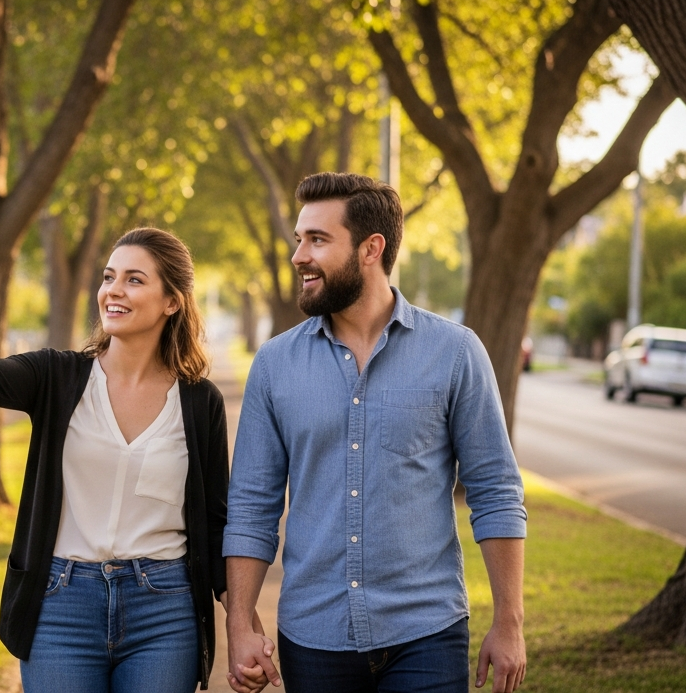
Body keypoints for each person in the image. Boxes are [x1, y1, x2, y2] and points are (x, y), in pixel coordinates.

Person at [0, 227, 267, 692]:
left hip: (163, 611)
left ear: (172, 301)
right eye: (108, 277)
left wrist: (241, 622)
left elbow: (216, 521)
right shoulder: (57, 376)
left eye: (134, 280)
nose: (113, 291)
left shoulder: (199, 402)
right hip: (61, 607)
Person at [223, 172, 528, 693]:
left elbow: (496, 490)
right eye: (300, 239)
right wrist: (239, 623)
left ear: (371, 248)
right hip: (313, 636)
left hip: (426, 634)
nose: (299, 255)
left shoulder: (455, 353)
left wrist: (509, 622)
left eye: (317, 240)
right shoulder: (275, 364)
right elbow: (253, 503)